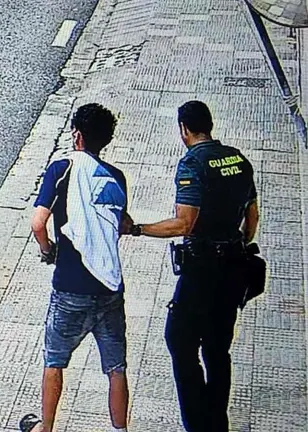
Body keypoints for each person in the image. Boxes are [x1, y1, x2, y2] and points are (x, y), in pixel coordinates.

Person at [126, 101, 259, 431]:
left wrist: (138, 228)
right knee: (217, 348)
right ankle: (217, 421)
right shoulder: (237, 159)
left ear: (184, 129)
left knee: (180, 341)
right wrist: (237, 245)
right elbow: (251, 216)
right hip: (233, 265)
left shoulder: (192, 163)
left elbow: (184, 224)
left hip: (202, 270)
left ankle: (199, 424)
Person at [21, 103, 131, 432]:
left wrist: (47, 250)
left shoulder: (62, 169)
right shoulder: (117, 177)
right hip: (109, 287)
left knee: (54, 360)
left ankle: (46, 428)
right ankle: (119, 429)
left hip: (70, 286)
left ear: (78, 136)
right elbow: (120, 223)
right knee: (116, 367)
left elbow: (38, 223)